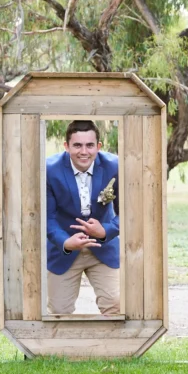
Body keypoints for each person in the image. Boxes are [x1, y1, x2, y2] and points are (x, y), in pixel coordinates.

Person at [45, 120, 121, 316]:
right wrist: (65, 242)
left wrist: (106, 231)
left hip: (103, 248)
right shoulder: (49, 170)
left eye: (89, 145)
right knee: (58, 313)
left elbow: (130, 212)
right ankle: (63, 348)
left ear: (99, 146)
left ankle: (111, 347)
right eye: (77, 145)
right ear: (66, 146)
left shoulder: (115, 166)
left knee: (117, 306)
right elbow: (47, 217)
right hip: (64, 251)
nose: (84, 151)